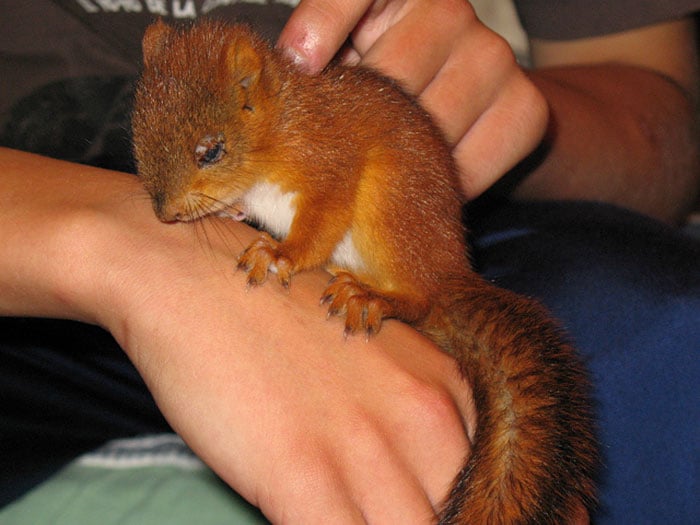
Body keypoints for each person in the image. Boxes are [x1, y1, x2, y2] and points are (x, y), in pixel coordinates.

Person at [0, 1, 698, 523]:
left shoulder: (298, 133)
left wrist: (508, 110)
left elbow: (325, 198)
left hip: (414, 250)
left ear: (252, 94)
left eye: (208, 155)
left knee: (666, 342)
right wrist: (119, 246)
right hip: (30, 260)